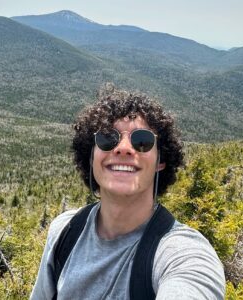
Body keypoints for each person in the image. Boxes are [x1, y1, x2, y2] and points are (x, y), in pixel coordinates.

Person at [30, 83, 225, 299]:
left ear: (161, 160)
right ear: (91, 155)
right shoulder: (64, 231)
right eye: (107, 138)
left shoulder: (180, 253)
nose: (123, 148)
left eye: (142, 140)